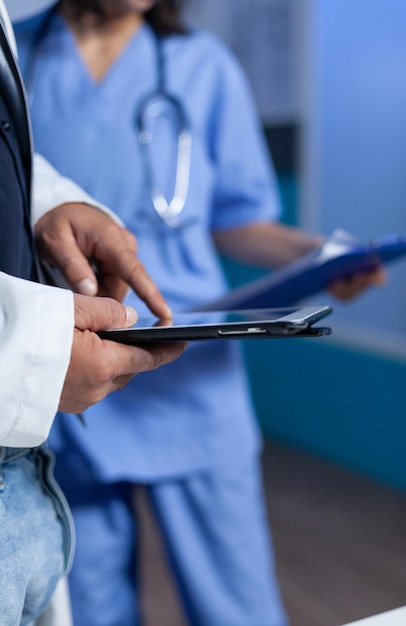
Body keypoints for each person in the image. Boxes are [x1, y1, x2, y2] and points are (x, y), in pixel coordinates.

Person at [15, 2, 386, 625]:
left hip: (192, 375)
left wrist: (319, 256)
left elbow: (240, 221)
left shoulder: (204, 66)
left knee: (236, 606)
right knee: (91, 606)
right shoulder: (14, 55)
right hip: (76, 373)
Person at [0, 2, 185, 625]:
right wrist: (34, 350)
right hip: (59, 379)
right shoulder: (35, 41)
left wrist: (46, 201)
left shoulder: (199, 63)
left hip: (81, 385)